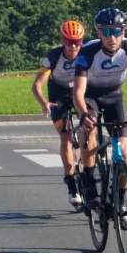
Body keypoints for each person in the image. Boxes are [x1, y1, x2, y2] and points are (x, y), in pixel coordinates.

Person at [72, 7, 127, 220]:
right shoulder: (87, 52)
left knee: (125, 152)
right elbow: (78, 91)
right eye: (107, 32)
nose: (112, 37)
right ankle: (89, 180)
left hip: (113, 96)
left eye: (117, 31)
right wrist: (84, 114)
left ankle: (121, 198)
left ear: (123, 31)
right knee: (90, 130)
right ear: (99, 33)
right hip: (90, 96)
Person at [32, 19, 86, 208]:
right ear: (62, 41)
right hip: (59, 94)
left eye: (77, 42)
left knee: (89, 125)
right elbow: (37, 84)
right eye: (68, 41)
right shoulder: (53, 56)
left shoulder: (87, 53)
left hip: (81, 90)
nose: (73, 46)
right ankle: (71, 181)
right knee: (66, 137)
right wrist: (44, 102)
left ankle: (87, 166)